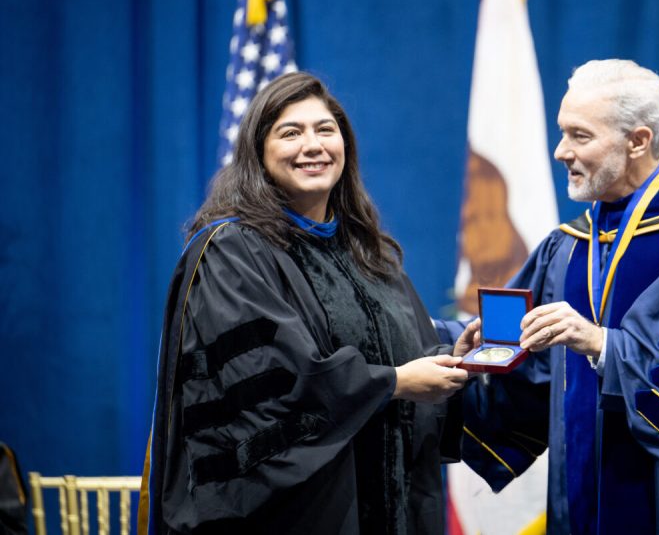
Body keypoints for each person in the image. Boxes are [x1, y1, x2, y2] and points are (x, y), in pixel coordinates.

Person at [446, 60, 659, 534]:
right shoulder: (568, 246)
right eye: (562, 132)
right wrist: (456, 359)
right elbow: (526, 376)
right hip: (577, 503)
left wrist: (603, 345)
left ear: (638, 140)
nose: (561, 151)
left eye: (580, 136)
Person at [141, 72, 473, 535]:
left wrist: (448, 359)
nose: (312, 145)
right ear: (258, 152)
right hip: (297, 515)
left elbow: (401, 354)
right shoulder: (231, 251)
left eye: (325, 129)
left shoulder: (366, 252)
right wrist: (394, 383)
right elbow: (272, 388)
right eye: (290, 133)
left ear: (345, 145)